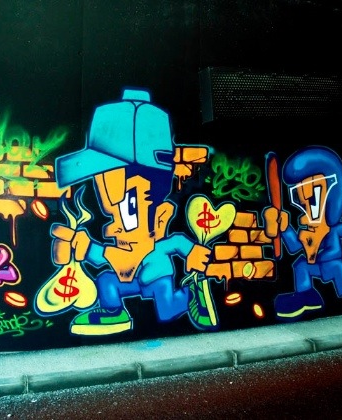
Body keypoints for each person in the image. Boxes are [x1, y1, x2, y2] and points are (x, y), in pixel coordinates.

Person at [50, 88, 218, 335]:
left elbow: (175, 242)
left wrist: (192, 252)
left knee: (167, 309)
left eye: (105, 176)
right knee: (106, 281)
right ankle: (114, 312)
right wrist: (79, 246)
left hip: (155, 274)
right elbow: (108, 256)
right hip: (130, 276)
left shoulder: (143, 218)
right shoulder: (121, 223)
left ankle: (190, 294)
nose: (100, 185)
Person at [263, 146, 342, 321]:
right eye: (300, 199)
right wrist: (283, 227)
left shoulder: (336, 229)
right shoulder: (309, 230)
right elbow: (294, 247)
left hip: (334, 267)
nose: (307, 206)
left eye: (312, 198)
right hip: (319, 267)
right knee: (301, 265)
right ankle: (308, 297)